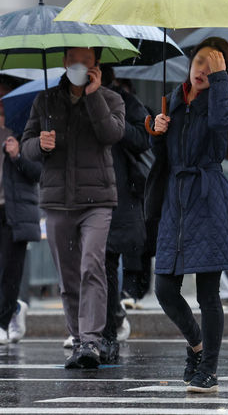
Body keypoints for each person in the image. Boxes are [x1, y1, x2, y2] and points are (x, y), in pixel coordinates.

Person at [148, 37, 228, 393]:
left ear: (221, 70)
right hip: (176, 201)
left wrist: (220, 81)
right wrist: (156, 129)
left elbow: (222, 125)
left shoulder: (223, 100)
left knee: (208, 293)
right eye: (199, 62)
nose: (203, 68)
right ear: (189, 66)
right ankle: (197, 345)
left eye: (212, 63)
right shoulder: (174, 100)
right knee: (164, 288)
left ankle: (209, 369)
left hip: (208, 200)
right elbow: (163, 151)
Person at [21, 47, 125, 368]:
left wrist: (93, 95)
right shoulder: (46, 100)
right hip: (56, 201)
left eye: (86, 59)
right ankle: (78, 338)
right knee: (68, 277)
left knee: (91, 266)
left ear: (96, 64)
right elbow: (26, 148)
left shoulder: (110, 99)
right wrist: (40, 144)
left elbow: (112, 133)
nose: (79, 64)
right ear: (65, 62)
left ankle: (92, 341)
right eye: (73, 59)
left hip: (98, 200)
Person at [93, 65, 151, 362]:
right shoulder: (69, 100)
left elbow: (143, 138)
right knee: (92, 265)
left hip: (118, 192)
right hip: (83, 191)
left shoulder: (123, 100)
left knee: (107, 260)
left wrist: (112, 119)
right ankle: (97, 326)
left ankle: (107, 333)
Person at [0, 103, 41, 345]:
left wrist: (17, 155)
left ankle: (3, 321)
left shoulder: (23, 138)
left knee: (10, 270)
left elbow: (38, 173)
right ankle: (14, 307)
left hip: (12, 212)